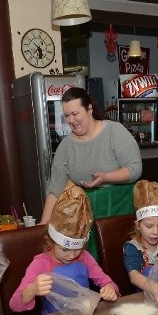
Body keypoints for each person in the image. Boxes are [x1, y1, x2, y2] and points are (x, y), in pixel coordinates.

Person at [41, 87, 142, 260]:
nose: (71, 120)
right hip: (84, 214)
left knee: (120, 260)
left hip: (119, 209)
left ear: (89, 109)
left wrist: (106, 177)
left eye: (75, 113)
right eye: (66, 116)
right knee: (90, 264)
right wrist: (43, 226)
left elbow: (134, 169)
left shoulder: (114, 132)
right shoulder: (65, 147)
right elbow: (55, 189)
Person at [11, 181, 119, 314]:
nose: (71, 256)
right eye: (65, 249)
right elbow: (14, 304)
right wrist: (31, 290)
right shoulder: (40, 264)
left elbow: (110, 284)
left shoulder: (85, 258)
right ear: (51, 241)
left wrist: (110, 289)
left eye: (77, 249)